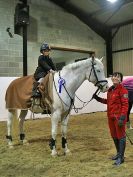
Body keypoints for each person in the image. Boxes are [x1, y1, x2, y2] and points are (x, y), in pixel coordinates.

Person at [93, 72, 128, 166]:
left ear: (121, 79)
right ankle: (118, 154)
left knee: (121, 137)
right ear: (111, 78)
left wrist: (122, 117)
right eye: (114, 76)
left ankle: (121, 157)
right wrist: (98, 99)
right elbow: (108, 102)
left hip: (118, 118)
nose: (115, 77)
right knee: (114, 136)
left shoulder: (123, 90)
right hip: (110, 117)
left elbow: (125, 105)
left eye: (117, 76)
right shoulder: (110, 90)